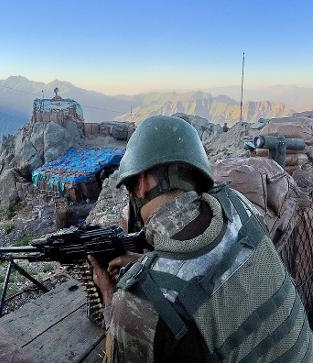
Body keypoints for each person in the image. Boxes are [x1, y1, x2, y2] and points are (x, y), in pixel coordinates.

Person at [88, 115, 312, 362]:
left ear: (141, 183)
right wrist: (148, 265)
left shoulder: (138, 305)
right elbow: (214, 265)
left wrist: (112, 298)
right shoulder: (238, 205)